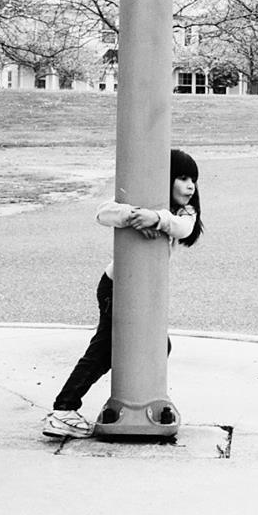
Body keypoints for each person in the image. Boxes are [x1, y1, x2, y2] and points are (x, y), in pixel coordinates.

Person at [42, 149, 204, 438]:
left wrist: (156, 219)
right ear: (164, 179)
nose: (190, 185)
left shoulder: (182, 213)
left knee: (158, 345)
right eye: (181, 178)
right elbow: (103, 212)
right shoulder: (143, 204)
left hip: (141, 288)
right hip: (115, 286)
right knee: (104, 348)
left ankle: (119, 398)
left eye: (193, 179)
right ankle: (63, 409)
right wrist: (135, 216)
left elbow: (182, 227)